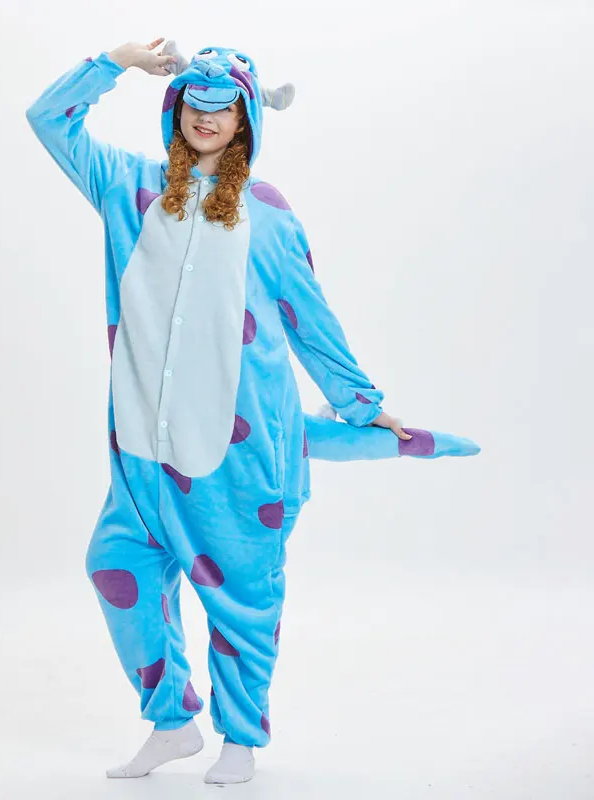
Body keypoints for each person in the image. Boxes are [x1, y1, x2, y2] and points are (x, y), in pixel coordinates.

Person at [25, 37, 479, 784]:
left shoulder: (266, 216)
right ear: (174, 110)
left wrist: (362, 406)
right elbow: (48, 119)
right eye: (194, 105)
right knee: (115, 566)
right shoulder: (126, 186)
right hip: (141, 453)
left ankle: (240, 738)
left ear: (245, 121)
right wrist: (118, 61)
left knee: (239, 602)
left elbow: (309, 318)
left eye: (224, 108)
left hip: (238, 459)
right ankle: (173, 722)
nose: (206, 117)